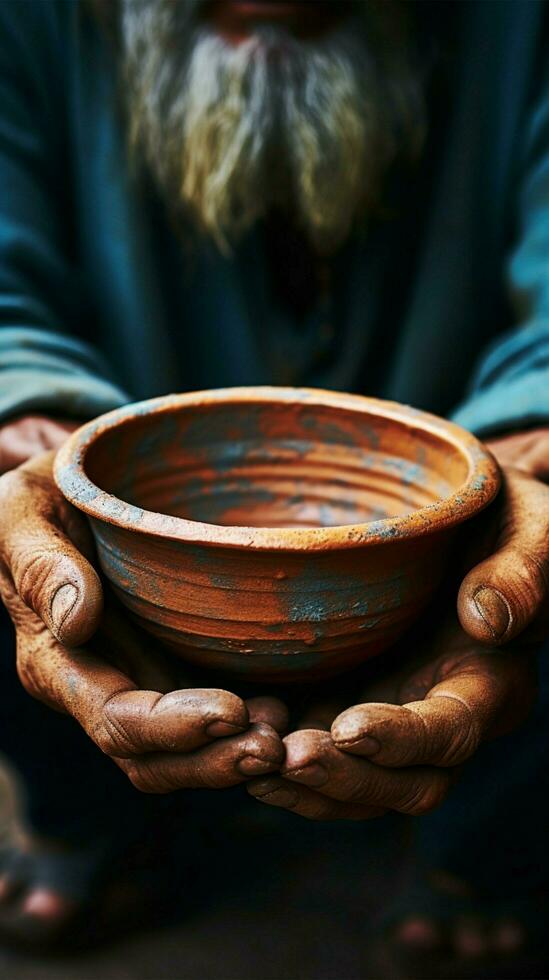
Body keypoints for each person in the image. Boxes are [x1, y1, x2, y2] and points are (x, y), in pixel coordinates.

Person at [0, 0, 547, 962]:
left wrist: (534, 445)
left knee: (537, 556)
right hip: (115, 520)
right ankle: (89, 818)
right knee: (14, 525)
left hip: (458, 517)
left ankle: (481, 850)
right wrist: (24, 421)